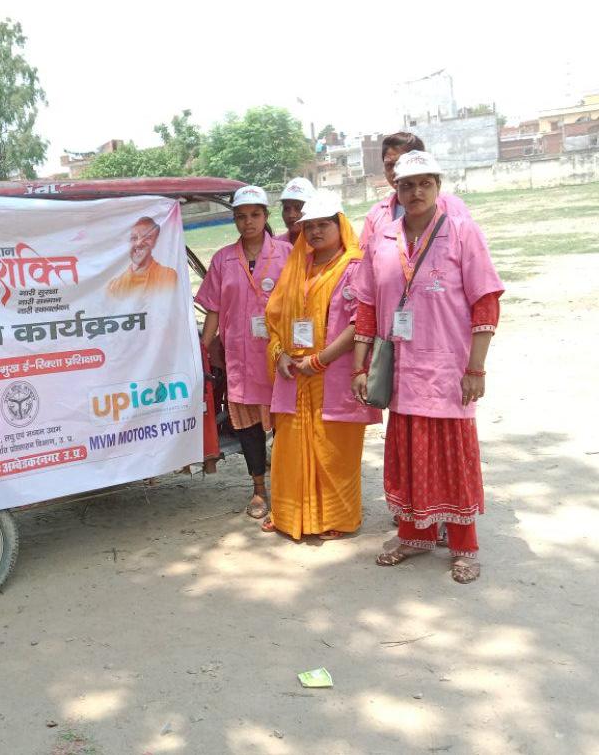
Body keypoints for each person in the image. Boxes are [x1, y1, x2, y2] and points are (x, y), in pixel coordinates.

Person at [351, 152, 503, 584]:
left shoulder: (462, 232)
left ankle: (464, 546)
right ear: (395, 190)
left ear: (438, 186)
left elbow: (486, 300)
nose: (415, 192)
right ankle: (414, 535)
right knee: (408, 456)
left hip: (447, 370)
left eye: (424, 183)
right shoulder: (382, 239)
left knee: (452, 460)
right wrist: (359, 366)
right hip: (400, 370)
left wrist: (476, 368)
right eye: (406, 185)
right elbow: (366, 305)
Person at [262, 191, 381, 540]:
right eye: (309, 226)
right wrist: (280, 353)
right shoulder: (297, 266)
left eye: (323, 225)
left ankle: (336, 518)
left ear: (339, 225)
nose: (315, 232)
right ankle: (290, 515)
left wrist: (320, 359)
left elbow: (361, 322)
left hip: (334, 371)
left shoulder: (355, 266)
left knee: (334, 449)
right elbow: (274, 317)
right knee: (290, 445)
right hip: (295, 373)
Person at [195, 185, 292, 519]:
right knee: (248, 428)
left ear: (265, 216)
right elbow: (213, 308)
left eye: (254, 215)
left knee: (286, 426)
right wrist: (204, 348)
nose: (248, 222)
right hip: (240, 357)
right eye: (240, 216)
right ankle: (258, 489)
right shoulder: (223, 259)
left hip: (279, 356)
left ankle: (289, 488)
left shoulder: (287, 254)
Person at [359, 132, 470, 249]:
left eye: (402, 163)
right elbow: (364, 255)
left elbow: (469, 251)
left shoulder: (452, 206)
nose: (395, 171)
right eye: (389, 165)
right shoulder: (376, 214)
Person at [106, 216, 179, 298]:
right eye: (134, 238)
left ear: (155, 242)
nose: (139, 243)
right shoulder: (114, 287)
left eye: (147, 238)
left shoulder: (168, 277)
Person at [277, 177, 315, 245]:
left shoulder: (322, 247)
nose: (291, 215)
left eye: (298, 208)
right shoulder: (274, 245)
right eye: (286, 208)